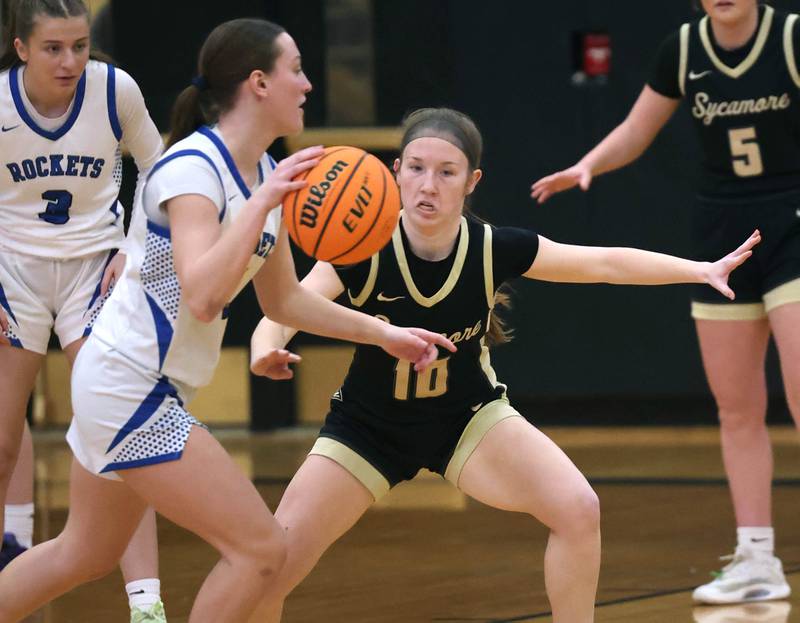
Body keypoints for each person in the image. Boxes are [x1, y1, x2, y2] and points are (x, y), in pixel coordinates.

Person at [0, 18, 453, 623]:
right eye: (296, 69)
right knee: (262, 550)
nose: (308, 84)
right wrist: (262, 207)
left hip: (137, 384)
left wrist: (385, 333)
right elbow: (205, 295)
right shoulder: (192, 171)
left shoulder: (265, 171)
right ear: (259, 83)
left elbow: (284, 302)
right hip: (128, 385)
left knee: (82, 553)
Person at [247, 107, 759, 623]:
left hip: (466, 419)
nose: (429, 185)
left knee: (579, 509)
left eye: (446, 172)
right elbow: (284, 307)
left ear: (471, 182)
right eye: (417, 168)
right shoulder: (359, 248)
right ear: (396, 170)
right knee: (274, 564)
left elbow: (602, 263)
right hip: (366, 427)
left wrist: (699, 269)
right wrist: (264, 348)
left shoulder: (493, 248)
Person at [531, 0, 798, 605]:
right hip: (721, 228)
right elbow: (637, 129)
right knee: (736, 407)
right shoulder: (684, 48)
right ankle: (757, 558)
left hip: (793, 219)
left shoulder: (789, 38)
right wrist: (589, 164)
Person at [0, 0, 168, 620]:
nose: (70, 60)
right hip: (11, 272)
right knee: (0, 438)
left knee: (119, 434)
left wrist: (134, 246)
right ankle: (10, 564)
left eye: (80, 45)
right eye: (53, 48)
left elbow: (159, 166)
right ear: (20, 48)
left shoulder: (114, 90)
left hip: (94, 269)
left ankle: (146, 603)